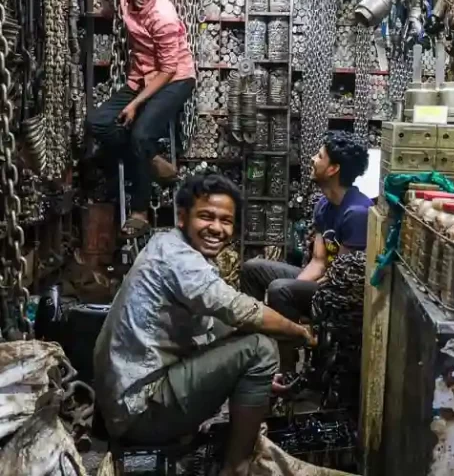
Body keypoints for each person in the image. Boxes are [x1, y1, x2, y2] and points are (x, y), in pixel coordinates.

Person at [94, 173, 315, 476]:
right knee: (260, 349)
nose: (216, 228)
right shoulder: (178, 258)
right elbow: (243, 310)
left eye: (226, 221)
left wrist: (255, 385)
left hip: (129, 399)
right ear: (183, 218)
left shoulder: (167, 243)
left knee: (231, 332)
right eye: (206, 217)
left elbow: (216, 326)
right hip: (139, 409)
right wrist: (302, 334)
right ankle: (236, 467)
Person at [85, 0, 195, 237]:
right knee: (96, 123)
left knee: (140, 134)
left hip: (175, 79)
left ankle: (140, 211)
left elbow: (169, 69)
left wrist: (135, 104)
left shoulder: (164, 16)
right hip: (142, 75)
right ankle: (150, 159)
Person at [241, 131, 373, 324]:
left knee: (280, 290)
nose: (312, 159)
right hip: (327, 276)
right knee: (252, 269)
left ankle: (287, 348)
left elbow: (342, 277)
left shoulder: (357, 213)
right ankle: (258, 333)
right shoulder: (323, 205)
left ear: (333, 169)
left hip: (343, 290)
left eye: (319, 156)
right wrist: (295, 286)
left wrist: (291, 290)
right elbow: (319, 261)